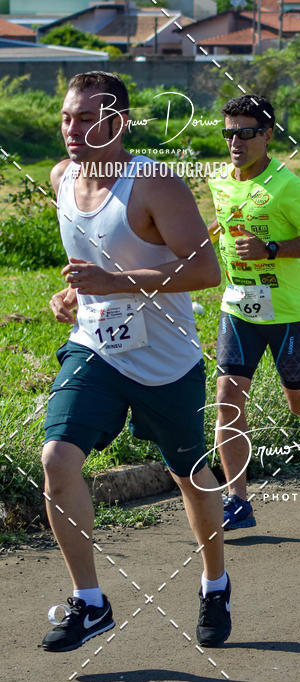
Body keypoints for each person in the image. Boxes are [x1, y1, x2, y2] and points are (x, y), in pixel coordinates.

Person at [40, 71, 232, 651]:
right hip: (96, 346)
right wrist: (72, 296)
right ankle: (90, 603)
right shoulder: (60, 178)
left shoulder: (152, 183)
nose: (73, 130)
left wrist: (113, 280)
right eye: (67, 118)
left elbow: (204, 271)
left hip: (167, 359)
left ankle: (215, 582)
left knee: (190, 478)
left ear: (118, 123)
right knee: (56, 458)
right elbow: (90, 265)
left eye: (87, 119)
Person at [208, 94, 300, 531]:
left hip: (286, 312)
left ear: (267, 135)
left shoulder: (288, 186)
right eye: (229, 133)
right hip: (238, 308)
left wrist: (272, 248)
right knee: (227, 402)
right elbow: (219, 224)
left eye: (246, 133)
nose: (236, 141)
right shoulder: (218, 181)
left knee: (298, 400)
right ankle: (237, 501)